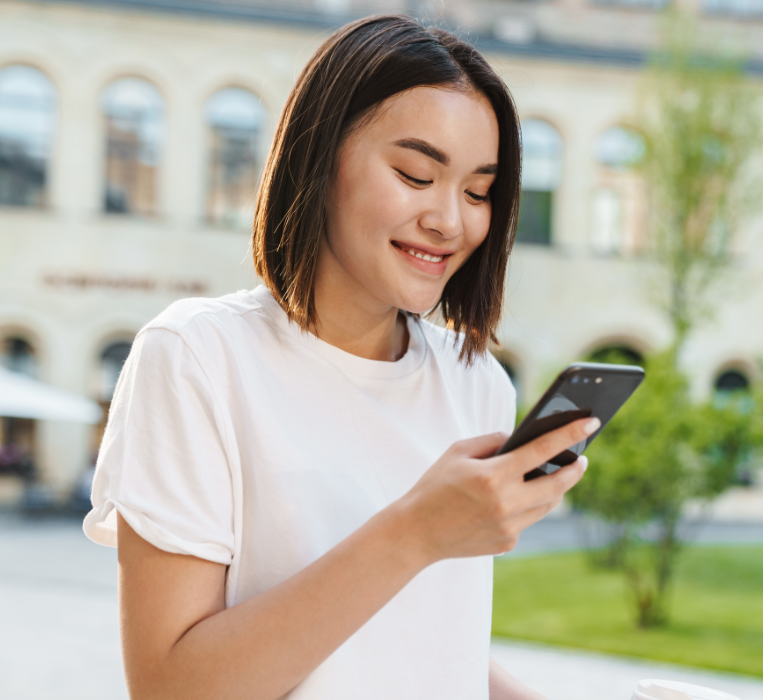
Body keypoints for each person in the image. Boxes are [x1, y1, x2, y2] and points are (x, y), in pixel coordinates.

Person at [83, 15, 597, 700]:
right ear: (320, 159)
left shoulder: (477, 386)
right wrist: (414, 532)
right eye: (417, 175)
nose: (451, 220)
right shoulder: (198, 358)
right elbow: (172, 687)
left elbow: (420, 642)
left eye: (478, 191)